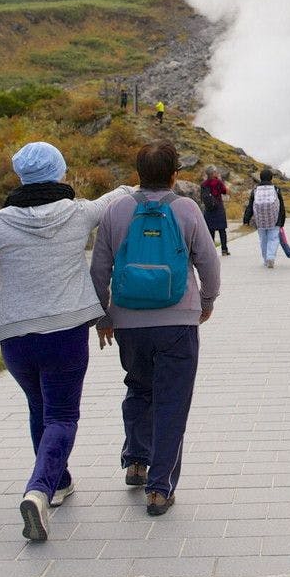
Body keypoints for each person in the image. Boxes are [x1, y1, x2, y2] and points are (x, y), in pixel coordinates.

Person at [0, 142, 134, 542]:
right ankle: (39, 491)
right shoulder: (78, 212)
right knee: (61, 416)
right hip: (65, 334)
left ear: (20, 177)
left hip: (16, 339)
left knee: (39, 408)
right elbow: (120, 195)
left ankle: (59, 482)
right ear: (59, 173)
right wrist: (135, 184)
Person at [91, 141, 220, 516]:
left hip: (129, 322)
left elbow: (100, 269)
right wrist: (208, 301)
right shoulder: (186, 209)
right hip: (178, 322)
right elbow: (208, 263)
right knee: (172, 401)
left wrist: (104, 315)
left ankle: (135, 460)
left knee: (138, 387)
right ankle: (159, 488)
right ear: (174, 174)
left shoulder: (116, 211)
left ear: (137, 174)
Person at [242, 168, 286, 268]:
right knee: (274, 239)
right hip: (274, 219)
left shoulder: (255, 190)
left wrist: (246, 219)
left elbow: (250, 206)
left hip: (260, 220)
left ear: (260, 178)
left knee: (263, 240)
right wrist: (282, 220)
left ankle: (266, 259)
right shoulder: (276, 189)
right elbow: (281, 206)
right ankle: (271, 257)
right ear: (271, 178)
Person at [200, 166, 230, 256]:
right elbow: (225, 191)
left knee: (210, 231)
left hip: (209, 210)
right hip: (219, 208)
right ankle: (224, 249)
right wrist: (221, 181)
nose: (217, 173)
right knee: (222, 230)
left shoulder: (203, 184)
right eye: (216, 172)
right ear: (213, 173)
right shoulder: (218, 182)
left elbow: (202, 197)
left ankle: (212, 251)